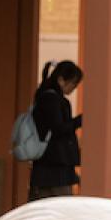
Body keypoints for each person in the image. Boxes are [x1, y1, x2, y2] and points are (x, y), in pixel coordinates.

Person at [28, 60, 83, 202]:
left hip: (46, 168)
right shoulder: (52, 100)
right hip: (54, 168)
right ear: (61, 80)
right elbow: (58, 128)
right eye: (73, 83)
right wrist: (78, 121)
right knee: (61, 210)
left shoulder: (44, 97)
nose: (74, 88)